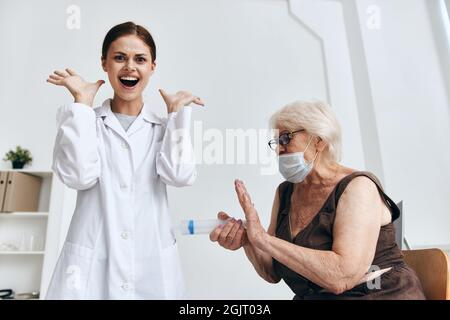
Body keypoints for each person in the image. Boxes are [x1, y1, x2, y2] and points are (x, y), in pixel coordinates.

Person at [46, 21, 204, 299]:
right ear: (104, 64)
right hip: (91, 268)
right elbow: (78, 176)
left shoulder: (163, 128)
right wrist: (82, 104)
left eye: (140, 59)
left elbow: (180, 176)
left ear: (152, 66)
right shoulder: (83, 121)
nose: (130, 67)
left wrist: (177, 116)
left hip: (151, 267)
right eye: (120, 58)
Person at [210, 100, 425, 299]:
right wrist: (249, 239)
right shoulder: (285, 193)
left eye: (285, 138)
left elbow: (342, 277)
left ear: (318, 141)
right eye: (275, 141)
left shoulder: (358, 187)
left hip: (378, 294)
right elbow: (273, 272)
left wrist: (264, 240)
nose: (278, 149)